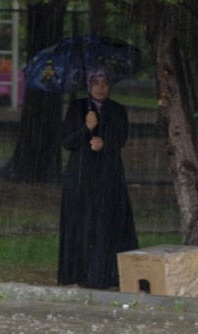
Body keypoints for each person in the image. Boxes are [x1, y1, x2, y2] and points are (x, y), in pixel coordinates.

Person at [57, 65, 138, 289]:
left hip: (107, 175)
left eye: (104, 83)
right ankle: (79, 273)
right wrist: (86, 128)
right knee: (82, 223)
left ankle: (105, 274)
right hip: (81, 175)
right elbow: (67, 142)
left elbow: (121, 137)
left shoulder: (118, 110)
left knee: (105, 223)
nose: (100, 88)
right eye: (95, 83)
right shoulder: (77, 108)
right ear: (88, 85)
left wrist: (104, 143)